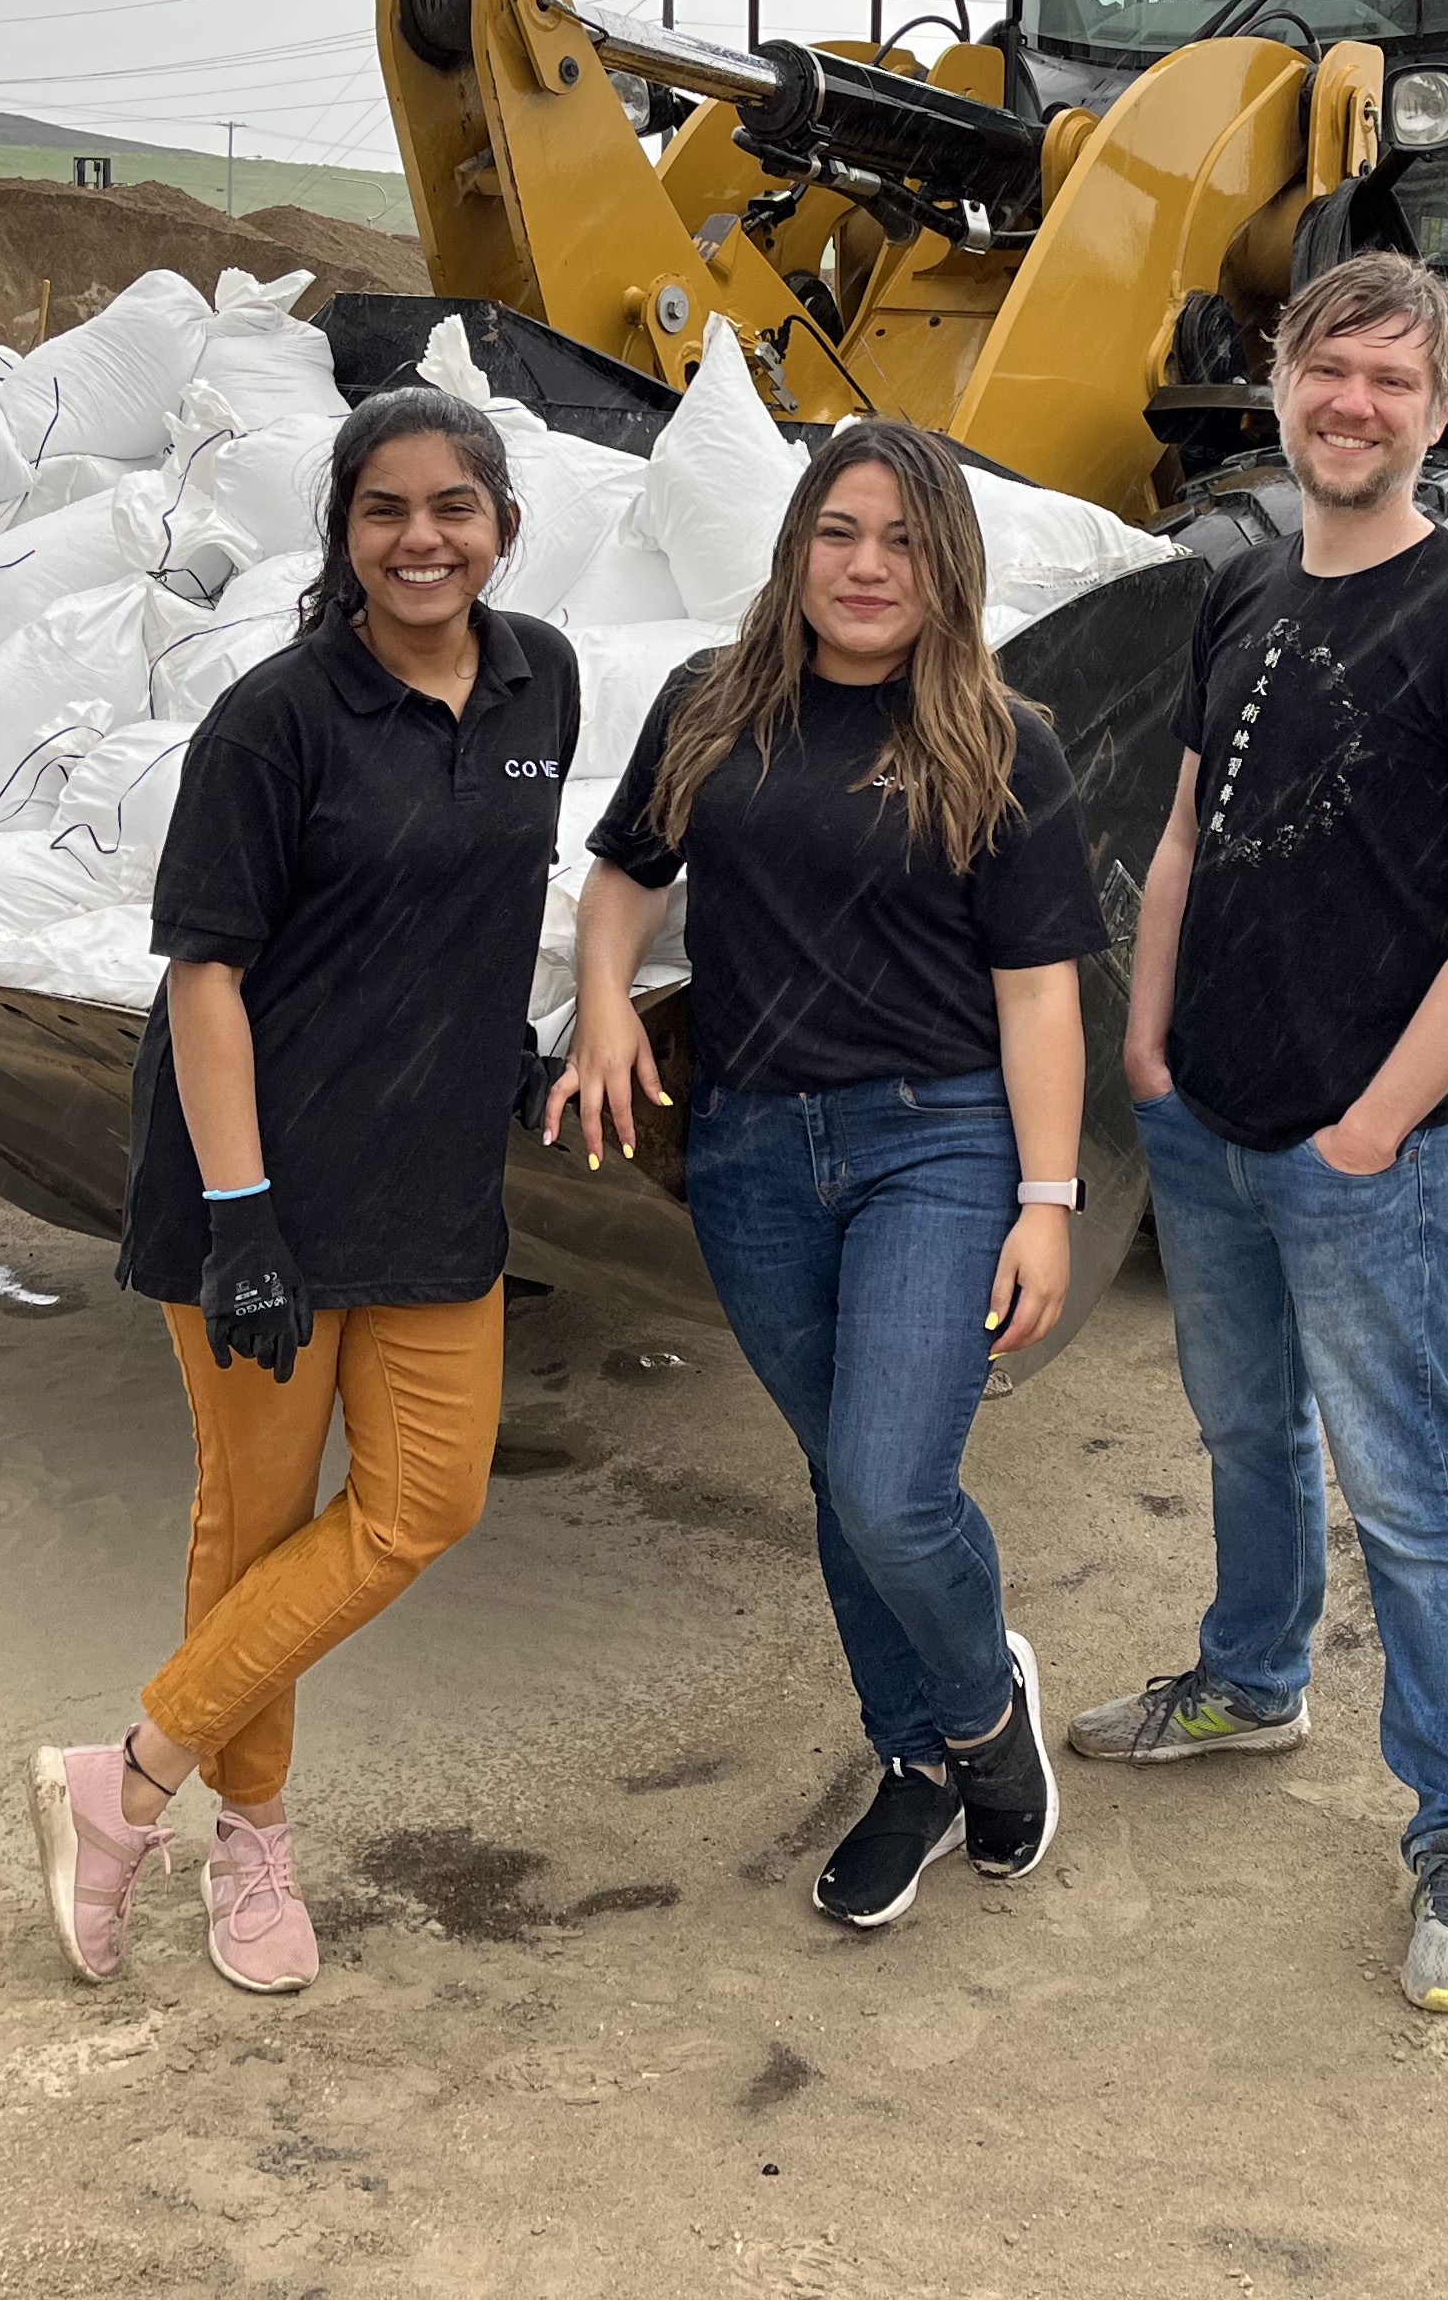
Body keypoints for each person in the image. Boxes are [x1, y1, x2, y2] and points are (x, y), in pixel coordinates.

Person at [1072, 250, 1448, 2017]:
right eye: (1324, 370)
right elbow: (1195, 831)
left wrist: (1374, 1128)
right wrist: (1144, 1036)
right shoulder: (1250, 592)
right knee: (1238, 1426)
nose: (1352, 403)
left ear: (1437, 409)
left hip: (1359, 1150)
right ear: (1279, 387)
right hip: (1206, 1113)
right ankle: (1251, 1674)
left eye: (1390, 377)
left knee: (1413, 1492)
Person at [28, 387, 579, 1997]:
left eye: (453, 508)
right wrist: (245, 1216)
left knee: (425, 1501)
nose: (422, 539)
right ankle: (249, 1845)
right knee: (256, 1523)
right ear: (343, 537)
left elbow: (495, 908)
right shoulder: (278, 719)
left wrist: (532, 1045)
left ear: (502, 528)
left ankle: (120, 1779)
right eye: (385, 511)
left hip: (432, 1181)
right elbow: (207, 973)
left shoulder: (543, 676)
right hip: (255, 1185)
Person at [556, 419, 1100, 1929]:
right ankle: (914, 1764)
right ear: (796, 545)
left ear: (950, 568)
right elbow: (622, 877)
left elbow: (1041, 992)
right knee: (842, 1481)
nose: (869, 568)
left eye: (906, 541)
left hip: (939, 1142)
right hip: (749, 1149)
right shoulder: (712, 707)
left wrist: (1048, 1205)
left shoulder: (1001, 740)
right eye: (841, 532)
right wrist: (607, 995)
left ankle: (983, 1715)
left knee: (887, 1486)